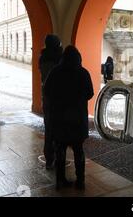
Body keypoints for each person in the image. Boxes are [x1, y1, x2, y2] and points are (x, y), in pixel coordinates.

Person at [44, 45, 94, 190]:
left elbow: (47, 91)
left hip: (60, 117)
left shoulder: (55, 72)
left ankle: (60, 181)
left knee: (60, 149)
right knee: (79, 150)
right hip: (78, 118)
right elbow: (90, 93)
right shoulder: (83, 72)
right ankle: (80, 181)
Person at [38, 34, 63, 169]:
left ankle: (49, 158)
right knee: (60, 129)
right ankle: (59, 157)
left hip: (47, 98)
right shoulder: (59, 58)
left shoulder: (42, 58)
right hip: (59, 99)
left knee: (49, 129)